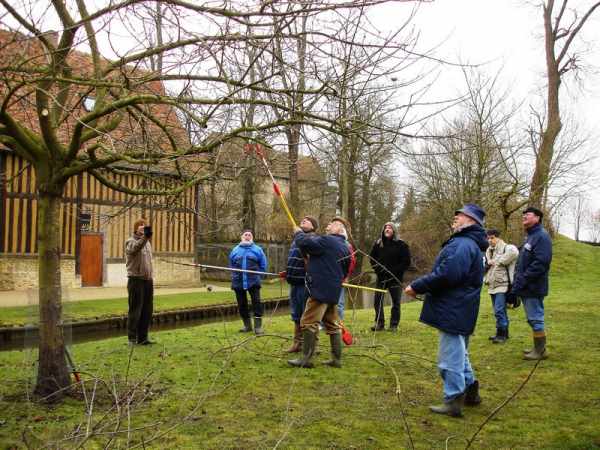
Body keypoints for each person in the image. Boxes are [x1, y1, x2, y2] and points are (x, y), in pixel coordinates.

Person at [405, 204, 488, 417]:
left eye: (459, 215)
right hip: (461, 307)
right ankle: (470, 391)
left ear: (471, 221)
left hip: (453, 307)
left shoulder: (462, 244)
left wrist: (417, 286)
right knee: (459, 351)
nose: (455, 218)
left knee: (449, 357)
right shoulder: (470, 244)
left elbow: (447, 274)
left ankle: (453, 399)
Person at [288, 217, 351, 369]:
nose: (330, 225)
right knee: (332, 324)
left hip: (320, 290)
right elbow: (344, 271)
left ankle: (306, 359)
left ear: (341, 231)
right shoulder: (344, 247)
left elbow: (306, 243)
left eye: (335, 224)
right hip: (333, 290)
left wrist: (298, 233)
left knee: (308, 322)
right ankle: (336, 360)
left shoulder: (329, 241)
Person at [510, 207, 553, 360]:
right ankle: (538, 348)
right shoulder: (531, 237)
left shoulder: (541, 236)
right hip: (527, 286)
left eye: (527, 215)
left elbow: (541, 263)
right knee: (532, 318)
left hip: (534, 286)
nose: (524, 217)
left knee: (535, 318)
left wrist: (523, 280)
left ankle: (540, 351)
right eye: (523, 215)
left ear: (538, 218)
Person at [285, 216, 318, 353]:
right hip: (294, 281)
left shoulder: (311, 239)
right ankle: (297, 343)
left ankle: (311, 346)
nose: (303, 220)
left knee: (308, 316)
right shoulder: (297, 240)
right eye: (302, 219)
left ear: (313, 227)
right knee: (296, 315)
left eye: (307, 220)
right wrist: (288, 271)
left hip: (305, 284)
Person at [369, 222, 411, 331]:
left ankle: (393, 325)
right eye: (385, 228)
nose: (387, 229)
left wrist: (394, 271)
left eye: (390, 228)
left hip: (395, 278)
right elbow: (372, 259)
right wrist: (379, 270)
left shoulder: (401, 245)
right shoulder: (378, 244)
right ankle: (379, 324)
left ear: (394, 230)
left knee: (396, 302)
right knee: (377, 301)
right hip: (381, 278)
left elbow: (406, 262)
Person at [229, 230, 268, 335]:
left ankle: (258, 327)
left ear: (252, 237)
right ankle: (247, 326)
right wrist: (234, 275)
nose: (247, 236)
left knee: (257, 302)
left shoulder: (258, 250)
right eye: (245, 235)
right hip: (238, 281)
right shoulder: (235, 250)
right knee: (242, 304)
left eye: (249, 235)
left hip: (253, 281)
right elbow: (231, 265)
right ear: (242, 237)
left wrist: (257, 275)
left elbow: (263, 265)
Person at [484, 229, 519, 344]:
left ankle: (502, 335)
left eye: (492, 237)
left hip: (503, 285)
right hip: (492, 285)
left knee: (499, 310)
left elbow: (515, 252)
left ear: (498, 237)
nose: (490, 240)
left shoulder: (507, 248)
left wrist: (499, 261)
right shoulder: (489, 251)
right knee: (498, 310)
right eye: (488, 238)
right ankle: (501, 333)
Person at [125, 219, 155, 345]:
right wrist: (145, 238)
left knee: (147, 310)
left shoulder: (147, 243)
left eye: (144, 226)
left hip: (148, 281)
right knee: (135, 310)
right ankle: (132, 338)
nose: (143, 227)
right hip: (136, 280)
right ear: (136, 228)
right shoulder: (130, 241)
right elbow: (134, 249)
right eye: (140, 226)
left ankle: (143, 338)